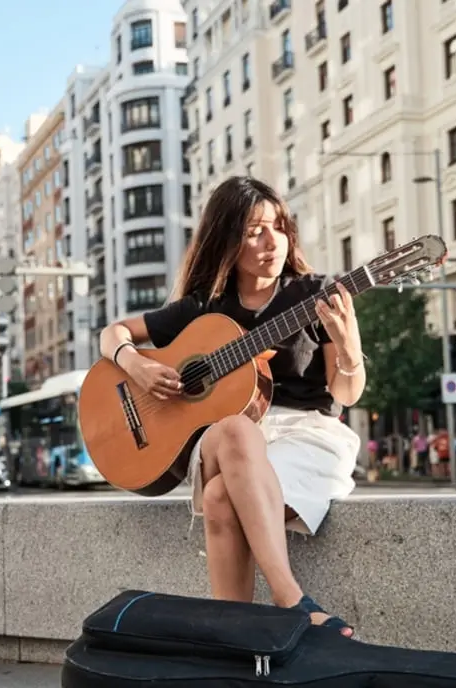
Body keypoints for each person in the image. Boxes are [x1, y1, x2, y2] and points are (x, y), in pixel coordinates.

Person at [98, 175, 363, 638]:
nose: (271, 241)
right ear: (226, 240)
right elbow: (112, 334)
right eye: (254, 231)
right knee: (238, 430)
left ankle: (233, 638)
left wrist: (347, 346)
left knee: (220, 496)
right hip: (233, 439)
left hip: (308, 437)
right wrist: (136, 366)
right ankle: (290, 599)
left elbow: (346, 394)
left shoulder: (316, 293)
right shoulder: (206, 309)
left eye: (278, 227)